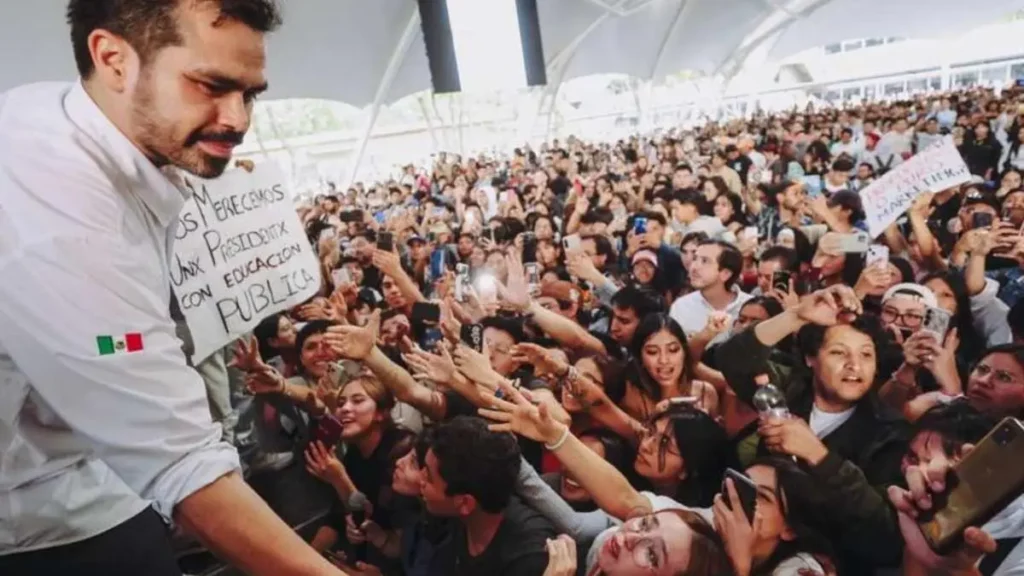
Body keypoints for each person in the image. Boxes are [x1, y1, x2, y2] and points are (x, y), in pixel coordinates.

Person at [0, 1, 346, 574]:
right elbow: (184, 470)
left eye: (250, 94)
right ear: (113, 58)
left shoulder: (59, 113)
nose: (237, 118)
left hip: (90, 475)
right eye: (210, 85)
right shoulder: (59, 220)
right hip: (42, 519)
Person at [421, 416, 557, 575]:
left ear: (465, 503)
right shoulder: (460, 516)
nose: (420, 479)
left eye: (428, 477)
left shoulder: (529, 558)